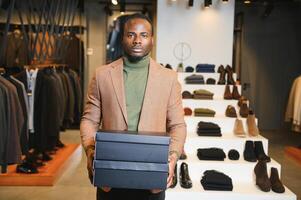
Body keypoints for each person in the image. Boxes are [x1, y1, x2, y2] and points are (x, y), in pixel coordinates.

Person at [80, 13, 187, 200]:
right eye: (131, 35)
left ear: (152, 40)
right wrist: (90, 151)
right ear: (122, 39)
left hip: (152, 178)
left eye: (144, 35)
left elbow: (177, 125)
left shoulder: (168, 78)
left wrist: (172, 158)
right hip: (110, 178)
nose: (137, 40)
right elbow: (89, 120)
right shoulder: (103, 75)